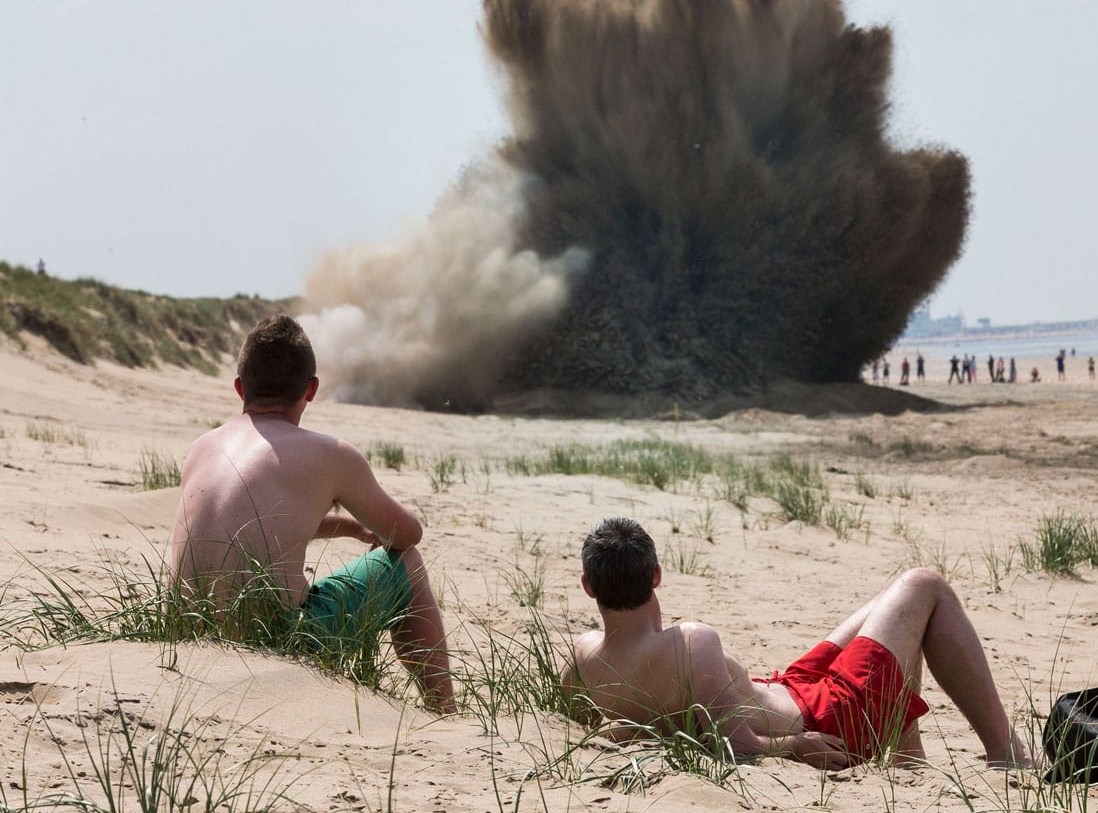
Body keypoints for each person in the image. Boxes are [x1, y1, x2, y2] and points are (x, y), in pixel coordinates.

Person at [565, 518, 1033, 770]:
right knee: (923, 584)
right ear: (657, 576)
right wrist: (795, 746)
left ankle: (908, 756)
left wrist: (641, 730)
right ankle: (1005, 751)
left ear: (589, 586)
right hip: (822, 717)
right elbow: (740, 744)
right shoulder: (692, 641)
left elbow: (602, 726)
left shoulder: (582, 661)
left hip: (791, 687)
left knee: (891, 605)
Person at [168, 315, 455, 712]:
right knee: (407, 563)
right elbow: (407, 535)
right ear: (312, 389)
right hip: (276, 643)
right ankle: (445, 713)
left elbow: (258, 525)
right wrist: (361, 514)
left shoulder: (202, 447)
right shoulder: (331, 454)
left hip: (186, 635)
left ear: (239, 388)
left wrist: (344, 527)